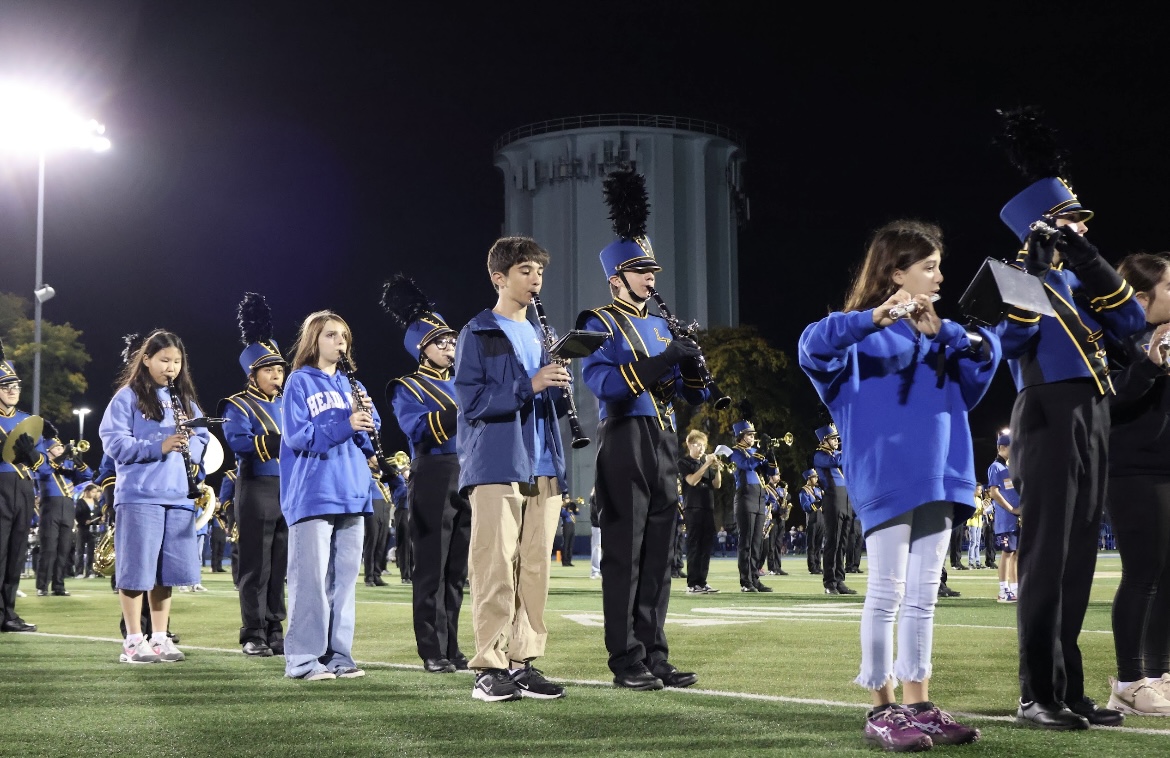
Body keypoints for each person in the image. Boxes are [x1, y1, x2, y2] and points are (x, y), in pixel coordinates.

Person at [799, 219, 998, 750]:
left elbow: (987, 361)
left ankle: (920, 704)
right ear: (895, 272)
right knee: (887, 592)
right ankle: (882, 708)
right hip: (886, 475)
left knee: (925, 594)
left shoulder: (941, 334)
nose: (939, 277)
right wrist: (873, 317)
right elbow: (811, 347)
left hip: (943, 473)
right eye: (929, 267)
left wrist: (944, 332)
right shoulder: (856, 333)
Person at [995, 119, 1144, 728]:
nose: (1083, 228)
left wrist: (1091, 259)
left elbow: (1132, 324)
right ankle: (1036, 693)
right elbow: (1009, 343)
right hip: (1046, 412)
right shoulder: (1015, 277)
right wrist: (1031, 273)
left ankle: (1069, 689)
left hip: (1092, 413)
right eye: (1072, 223)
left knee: (1079, 554)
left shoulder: (1082, 281)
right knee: (1047, 556)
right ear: (1044, 226)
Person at [579, 169, 709, 692]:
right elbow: (604, 383)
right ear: (617, 279)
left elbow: (686, 395)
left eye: (652, 271)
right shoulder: (598, 321)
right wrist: (663, 361)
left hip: (663, 439)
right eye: (640, 271)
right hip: (624, 439)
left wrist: (693, 371)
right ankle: (625, 657)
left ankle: (655, 653)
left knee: (660, 552)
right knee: (625, 553)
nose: (651, 280)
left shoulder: (659, 325)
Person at [454, 235, 569, 702]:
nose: (536, 278)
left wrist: (557, 385)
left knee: (536, 568)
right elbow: (472, 403)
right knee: (495, 566)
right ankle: (488, 666)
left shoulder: (542, 335)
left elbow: (546, 403)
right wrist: (531, 384)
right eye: (525, 270)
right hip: (497, 463)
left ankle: (523, 662)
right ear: (498, 278)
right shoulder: (477, 332)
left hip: (544, 463)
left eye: (539, 270)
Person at [99, 329, 211, 663]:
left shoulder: (184, 400)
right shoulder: (127, 397)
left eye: (177, 361)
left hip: (178, 495)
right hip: (140, 496)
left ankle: (160, 638)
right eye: (164, 360)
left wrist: (192, 444)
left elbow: (203, 437)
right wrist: (158, 445)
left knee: (166, 573)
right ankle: (134, 640)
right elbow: (114, 442)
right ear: (146, 359)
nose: (171, 367)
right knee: (136, 570)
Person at [279, 310, 377, 681]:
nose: (340, 342)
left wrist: (367, 421)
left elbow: (368, 437)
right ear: (314, 341)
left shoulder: (355, 385)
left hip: (353, 490)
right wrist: (345, 423)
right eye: (331, 335)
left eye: (344, 336)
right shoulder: (299, 381)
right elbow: (297, 435)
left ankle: (339, 656)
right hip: (314, 491)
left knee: (344, 583)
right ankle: (303, 659)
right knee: (310, 583)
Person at [384, 274, 471, 674]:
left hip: (468, 474)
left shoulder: (465, 383)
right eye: (441, 342)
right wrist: (468, 404)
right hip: (433, 472)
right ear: (422, 348)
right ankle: (431, 648)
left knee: (457, 570)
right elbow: (420, 430)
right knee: (432, 567)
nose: (450, 348)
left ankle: (452, 644)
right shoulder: (406, 386)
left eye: (452, 342)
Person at [1102, 253, 1170, 715]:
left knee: (1166, 577)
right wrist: (1149, 363)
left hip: (1165, 465)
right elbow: (1107, 401)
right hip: (1133, 469)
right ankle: (1129, 682)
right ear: (1142, 297)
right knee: (1143, 575)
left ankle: (1160, 675)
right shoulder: (1111, 336)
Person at [220, 292, 289, 657]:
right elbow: (240, 442)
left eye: (280, 370)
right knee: (255, 564)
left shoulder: (289, 405)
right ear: (252, 374)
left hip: (287, 488)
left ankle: (275, 628)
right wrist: (287, 440)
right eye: (269, 370)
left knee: (280, 564)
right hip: (256, 487)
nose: (277, 376)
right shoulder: (236, 404)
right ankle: (253, 631)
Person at [0, 340, 45, 632]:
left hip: (24, 487)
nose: (12, 390)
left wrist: (32, 456)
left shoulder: (27, 420)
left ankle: (8, 614)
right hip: (0, 487)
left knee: (16, 554)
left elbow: (41, 462)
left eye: (15, 385)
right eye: (5, 386)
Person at [35, 424, 91, 596]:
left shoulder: (67, 464)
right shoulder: (43, 464)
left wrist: (77, 460)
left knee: (63, 549)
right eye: (57, 447)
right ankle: (42, 586)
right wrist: (63, 456)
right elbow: (45, 472)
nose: (61, 449)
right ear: (48, 451)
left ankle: (58, 585)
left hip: (67, 507)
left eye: (61, 447)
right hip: (50, 506)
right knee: (49, 548)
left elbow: (88, 475)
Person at [728, 419, 777, 593]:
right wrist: (762, 451)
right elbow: (748, 465)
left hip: (760, 498)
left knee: (757, 542)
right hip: (745, 498)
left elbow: (772, 473)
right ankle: (745, 581)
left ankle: (755, 578)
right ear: (741, 436)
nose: (752, 438)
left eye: (753, 435)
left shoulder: (756, 452)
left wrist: (771, 455)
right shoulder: (735, 453)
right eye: (749, 435)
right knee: (746, 542)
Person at [812, 425, 856, 595]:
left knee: (843, 543)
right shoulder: (820, 455)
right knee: (833, 542)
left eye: (837, 438)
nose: (837, 441)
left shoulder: (837, 454)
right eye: (833, 438)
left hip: (845, 500)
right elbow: (835, 461)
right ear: (824, 441)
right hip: (833, 500)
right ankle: (829, 582)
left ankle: (839, 580)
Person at [678, 429, 721, 594]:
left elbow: (717, 485)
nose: (701, 448)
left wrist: (717, 468)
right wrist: (706, 464)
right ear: (689, 445)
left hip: (708, 507)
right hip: (693, 508)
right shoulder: (684, 462)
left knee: (706, 546)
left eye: (703, 445)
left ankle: (702, 582)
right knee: (694, 546)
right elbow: (692, 481)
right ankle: (692, 584)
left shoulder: (705, 462)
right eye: (697, 445)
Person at [987, 435, 1020, 604]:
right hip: (1005, 518)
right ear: (1003, 447)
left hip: (1015, 519)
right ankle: (1003, 591)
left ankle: (1015, 589)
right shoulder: (995, 467)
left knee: (1016, 553)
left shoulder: (1008, 468)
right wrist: (1012, 509)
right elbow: (994, 492)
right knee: (1007, 553)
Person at [362, 460, 393, 587]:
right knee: (372, 542)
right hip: (373, 505)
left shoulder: (384, 472)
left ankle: (377, 575)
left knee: (381, 543)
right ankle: (369, 577)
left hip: (386, 505)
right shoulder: (366, 470)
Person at [74, 483, 102, 578]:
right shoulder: (80, 502)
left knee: (91, 550)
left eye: (95, 492)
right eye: (93, 492)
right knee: (80, 550)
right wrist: (83, 521)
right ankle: (79, 572)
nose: (94, 494)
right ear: (87, 491)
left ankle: (90, 571)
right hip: (83, 528)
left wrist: (100, 519)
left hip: (93, 528)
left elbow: (99, 513)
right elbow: (77, 514)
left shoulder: (96, 502)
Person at [764, 473, 789, 576]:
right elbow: (765, 503)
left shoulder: (780, 489)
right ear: (770, 476)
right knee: (771, 545)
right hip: (772, 519)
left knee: (778, 544)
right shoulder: (766, 489)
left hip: (780, 519)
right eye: (776, 475)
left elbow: (784, 501)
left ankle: (778, 567)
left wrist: (785, 507)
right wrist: (774, 510)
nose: (779, 477)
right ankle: (772, 567)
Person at [799, 469, 823, 575]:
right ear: (809, 479)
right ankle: (812, 567)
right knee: (812, 544)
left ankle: (818, 565)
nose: (816, 478)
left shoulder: (818, 489)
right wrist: (817, 503)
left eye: (816, 476)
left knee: (819, 544)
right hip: (812, 519)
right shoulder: (804, 491)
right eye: (814, 477)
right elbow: (806, 506)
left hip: (821, 518)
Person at [588, 488, 602, 580]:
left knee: (599, 548)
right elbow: (594, 511)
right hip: (598, 525)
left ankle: (599, 570)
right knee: (597, 548)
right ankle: (595, 571)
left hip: (602, 524)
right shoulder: (595, 497)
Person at [560, 496, 577, 566]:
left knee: (570, 545)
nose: (568, 500)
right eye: (567, 499)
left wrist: (574, 507)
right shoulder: (563, 509)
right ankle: (564, 561)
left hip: (572, 526)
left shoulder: (571, 509)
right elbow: (563, 514)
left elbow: (577, 513)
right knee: (566, 544)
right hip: (566, 527)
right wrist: (567, 506)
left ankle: (569, 561)